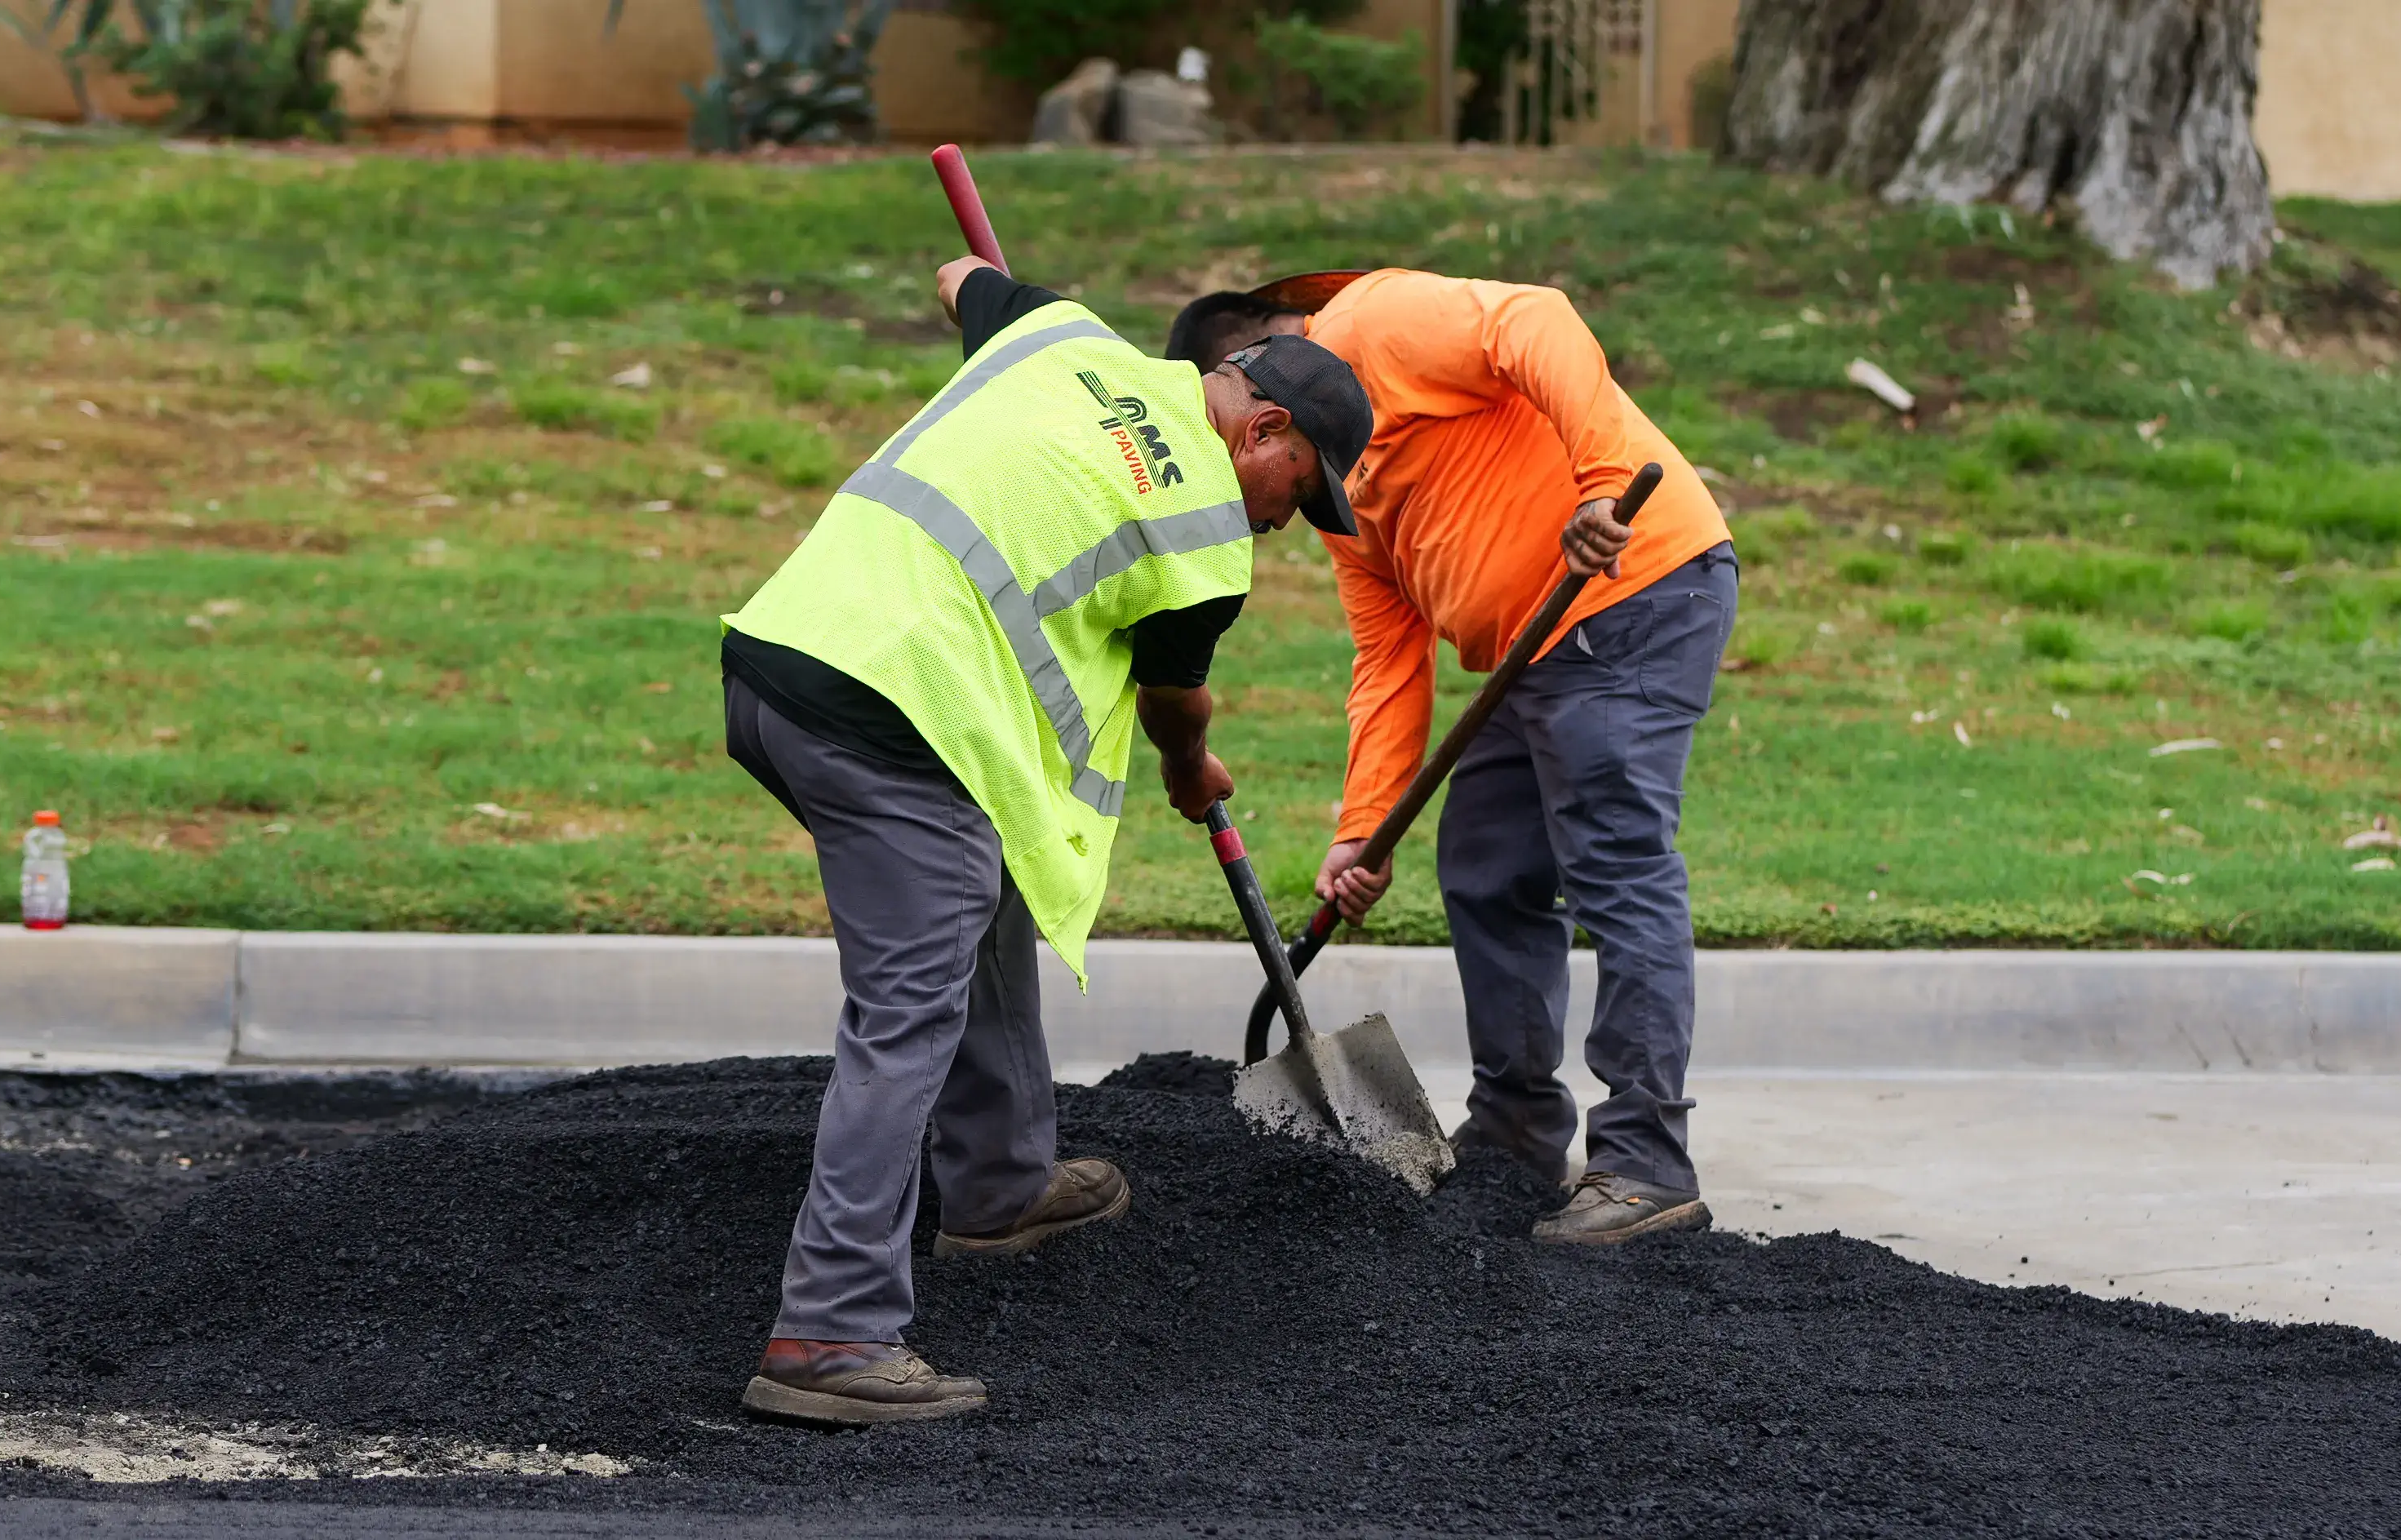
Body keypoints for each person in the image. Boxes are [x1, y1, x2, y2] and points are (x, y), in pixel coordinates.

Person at [723, 255, 1372, 1426]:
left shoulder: (1060, 335)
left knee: (990, 892)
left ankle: (999, 1182)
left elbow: (957, 273)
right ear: (1262, 423)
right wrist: (1189, 768)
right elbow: (1176, 702)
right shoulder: (1207, 533)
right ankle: (830, 1327)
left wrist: (1006, 315)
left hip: (784, 661)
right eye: (1302, 485)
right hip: (895, 710)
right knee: (908, 1010)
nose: (1288, 519)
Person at [1169, 271, 1738, 1246]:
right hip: (1526, 654)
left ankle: (1647, 1162)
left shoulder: (1374, 321)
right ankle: (1515, 1135)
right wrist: (1362, 832)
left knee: (1615, 866)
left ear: (1256, 367)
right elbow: (1389, 659)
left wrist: (1603, 485)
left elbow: (1538, 320)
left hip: (1630, 594)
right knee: (1485, 872)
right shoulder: (1336, 486)